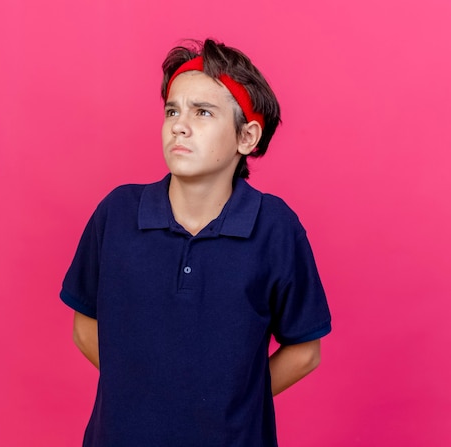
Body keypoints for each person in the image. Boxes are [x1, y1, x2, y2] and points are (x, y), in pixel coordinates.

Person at [59, 38, 331, 447]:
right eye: (172, 110)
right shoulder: (117, 214)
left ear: (247, 137)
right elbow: (84, 325)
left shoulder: (275, 227)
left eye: (202, 112)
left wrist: (229, 401)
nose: (179, 125)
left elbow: (305, 351)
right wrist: (145, 390)